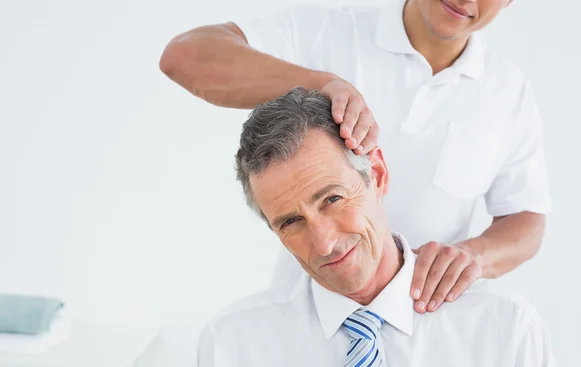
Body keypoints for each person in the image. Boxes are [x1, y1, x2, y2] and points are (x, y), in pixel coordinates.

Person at [160, 0, 551, 313]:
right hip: (308, 320)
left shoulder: (509, 93)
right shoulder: (328, 34)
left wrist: (473, 257)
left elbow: (526, 218)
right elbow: (185, 56)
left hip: (426, 321)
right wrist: (321, 84)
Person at [196, 88, 562, 367]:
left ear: (379, 175)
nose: (324, 243)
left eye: (332, 199)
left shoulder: (504, 329)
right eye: (291, 222)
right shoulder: (229, 347)